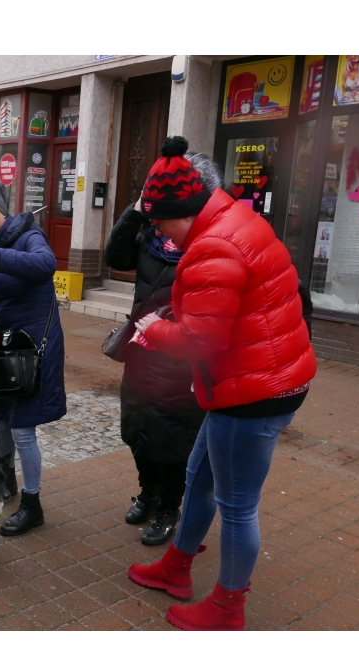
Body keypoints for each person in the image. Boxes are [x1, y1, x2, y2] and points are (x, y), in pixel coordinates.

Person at [126, 137, 317, 630]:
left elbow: (200, 340)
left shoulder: (213, 243)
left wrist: (154, 329)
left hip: (254, 391)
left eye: (161, 222)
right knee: (199, 480)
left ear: (184, 210)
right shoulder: (229, 219)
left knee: (236, 507)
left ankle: (229, 607)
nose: (160, 233)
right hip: (244, 379)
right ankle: (176, 568)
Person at [103, 155, 218, 546]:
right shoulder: (152, 235)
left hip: (181, 359)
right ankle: (148, 494)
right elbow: (115, 258)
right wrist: (134, 213)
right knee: (136, 430)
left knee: (172, 441)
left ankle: (170, 507)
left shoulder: (204, 242)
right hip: (141, 349)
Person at [0, 180, 66, 536]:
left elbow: (44, 265)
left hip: (34, 350)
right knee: (1, 423)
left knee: (22, 430)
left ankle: (32, 506)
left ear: (2, 209)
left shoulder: (28, 236)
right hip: (3, 352)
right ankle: (8, 486)